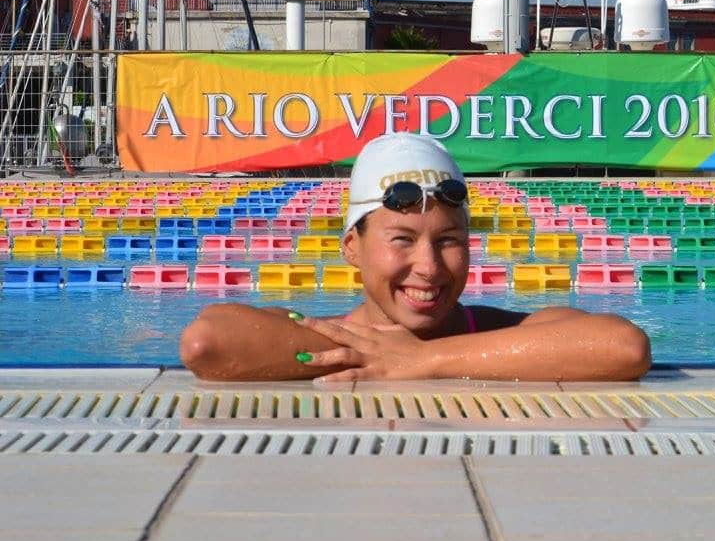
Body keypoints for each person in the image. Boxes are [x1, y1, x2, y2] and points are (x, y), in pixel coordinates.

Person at [179, 132, 652, 383]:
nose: (429, 267)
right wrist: (376, 355)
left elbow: (624, 348)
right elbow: (205, 343)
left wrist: (421, 360)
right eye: (402, 239)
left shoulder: (499, 330)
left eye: (449, 240)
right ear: (352, 247)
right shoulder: (337, 339)